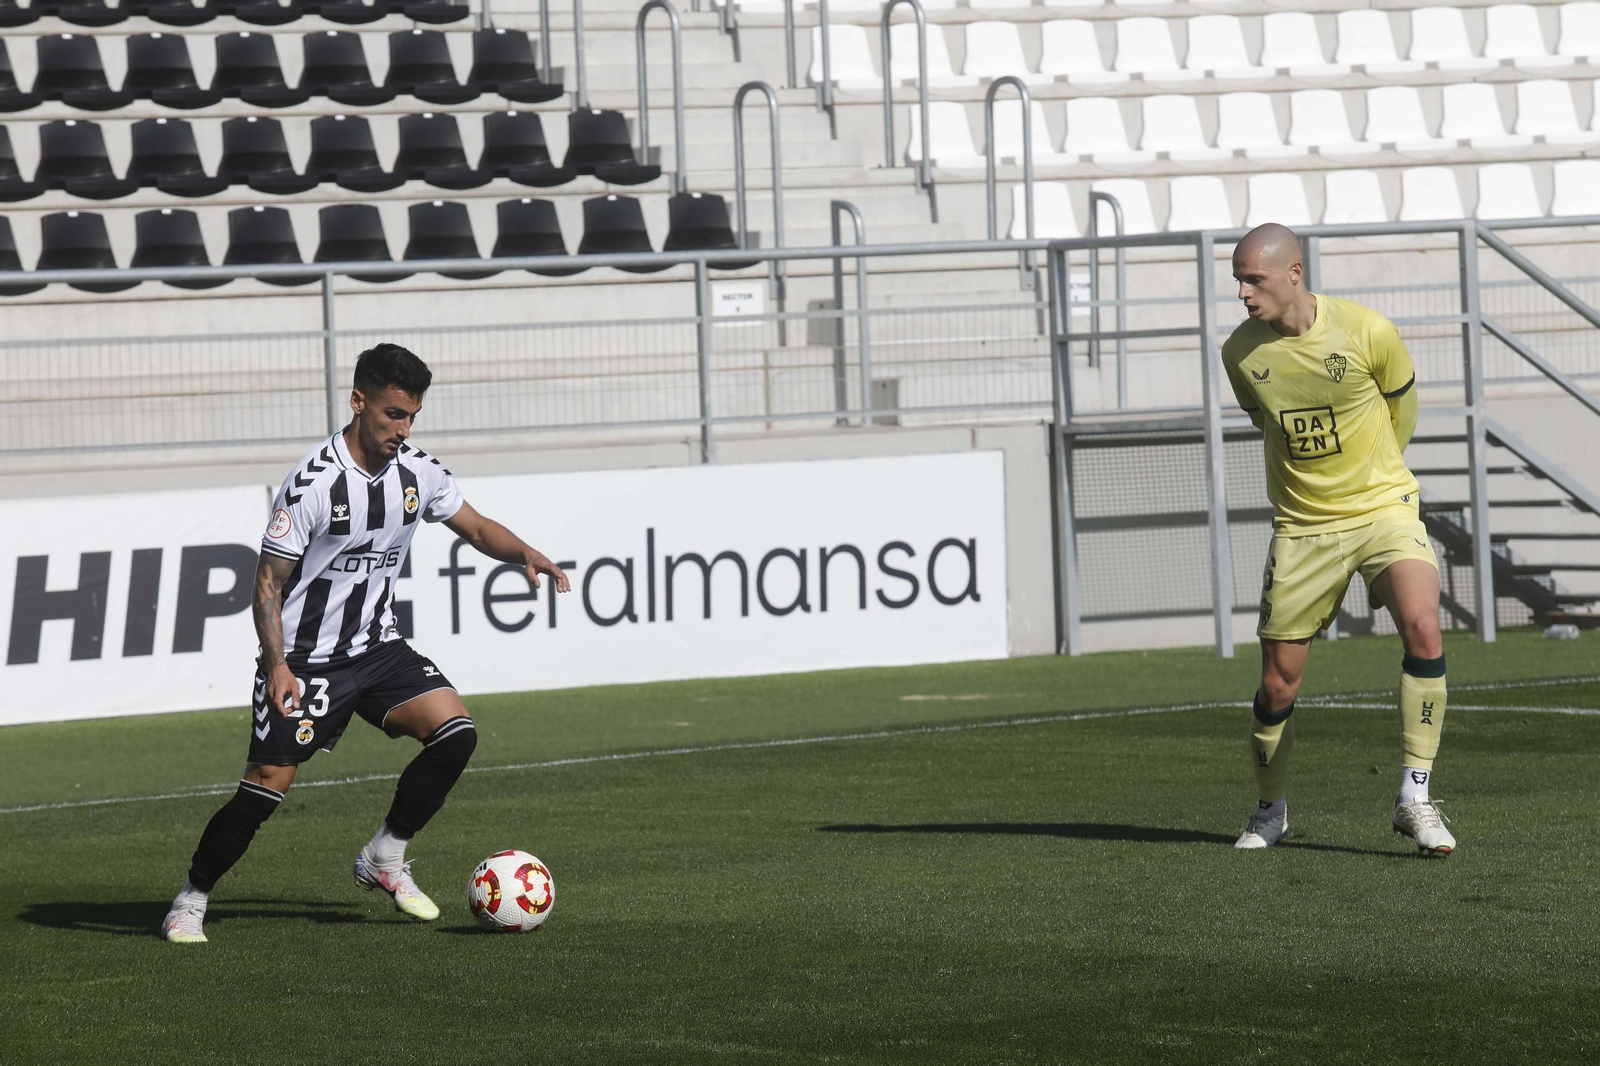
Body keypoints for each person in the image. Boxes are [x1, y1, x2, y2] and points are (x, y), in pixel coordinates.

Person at [162, 343, 570, 942]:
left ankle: (385, 854)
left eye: (411, 417)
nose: (401, 430)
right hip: (307, 661)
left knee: (456, 732)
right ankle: (191, 899)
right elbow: (268, 585)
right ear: (359, 402)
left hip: (376, 649)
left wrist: (523, 553)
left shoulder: (418, 472)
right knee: (265, 788)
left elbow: (477, 527)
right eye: (392, 415)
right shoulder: (312, 485)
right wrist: (277, 665)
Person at [1222, 223, 1454, 856]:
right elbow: (1265, 421)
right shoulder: (1240, 353)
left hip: (1383, 507)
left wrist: (1379, 476)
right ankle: (1270, 811)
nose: (1243, 291)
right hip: (1304, 526)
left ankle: (1415, 797)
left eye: (1254, 279)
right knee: (1277, 685)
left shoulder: (1366, 331)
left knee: (1423, 629)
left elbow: (1401, 409)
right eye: (1239, 279)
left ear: (1294, 273)